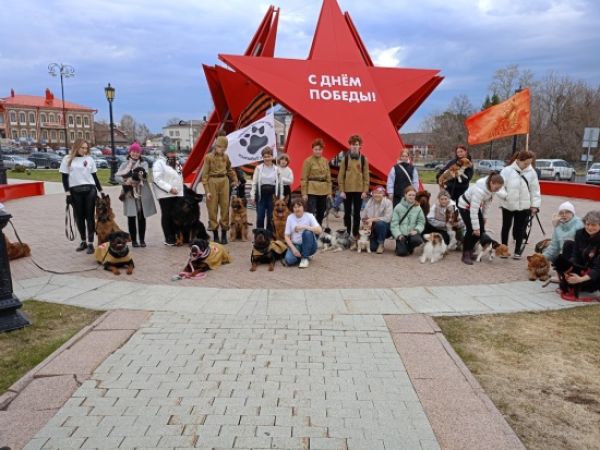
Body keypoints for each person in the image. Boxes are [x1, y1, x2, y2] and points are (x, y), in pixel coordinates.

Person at [60, 139, 103, 254]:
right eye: (82, 148)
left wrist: (101, 191)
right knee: (79, 217)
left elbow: (94, 176)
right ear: (76, 147)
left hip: (90, 189)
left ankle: (90, 243)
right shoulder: (67, 159)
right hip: (75, 190)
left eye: (86, 148)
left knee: (89, 216)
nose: (85, 150)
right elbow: (64, 178)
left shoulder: (89, 159)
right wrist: (67, 194)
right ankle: (83, 241)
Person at [499, 150, 541, 259]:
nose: (528, 165)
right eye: (526, 163)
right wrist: (505, 196)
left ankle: (517, 250)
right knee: (506, 227)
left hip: (524, 206)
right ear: (518, 160)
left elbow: (535, 190)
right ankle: (504, 249)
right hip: (508, 205)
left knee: (520, 229)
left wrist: (535, 205)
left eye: (530, 163)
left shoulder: (532, 172)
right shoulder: (507, 171)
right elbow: (500, 186)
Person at [457, 173, 505, 265]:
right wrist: (476, 227)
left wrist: (484, 217)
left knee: (481, 230)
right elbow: (474, 210)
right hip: (465, 206)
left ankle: (471, 250)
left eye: (499, 188)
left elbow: (487, 203)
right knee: (471, 229)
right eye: (497, 188)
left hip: (474, 206)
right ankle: (466, 254)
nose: (497, 190)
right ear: (491, 183)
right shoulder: (479, 190)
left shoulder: (492, 189)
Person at [115, 142, 157, 247]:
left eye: (137, 152)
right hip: (129, 193)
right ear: (130, 152)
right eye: (133, 151)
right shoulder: (124, 164)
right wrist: (125, 181)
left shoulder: (144, 163)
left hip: (141, 193)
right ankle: (133, 240)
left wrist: (135, 178)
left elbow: (145, 175)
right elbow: (117, 176)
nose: (135, 153)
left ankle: (142, 240)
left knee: (142, 217)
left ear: (140, 153)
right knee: (131, 217)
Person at [202, 136, 238, 244]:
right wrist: (207, 190)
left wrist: (235, 179)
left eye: (223, 147)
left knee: (225, 208)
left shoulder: (226, 157)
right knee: (212, 209)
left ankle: (223, 233)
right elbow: (205, 176)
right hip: (212, 181)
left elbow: (230, 169)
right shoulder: (208, 157)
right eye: (218, 146)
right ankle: (215, 234)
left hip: (224, 182)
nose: (220, 149)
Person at [556, 210, 600, 297]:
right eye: (587, 224)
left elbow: (598, 268)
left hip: (595, 274)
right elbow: (574, 256)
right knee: (568, 244)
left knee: (588, 286)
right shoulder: (580, 234)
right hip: (584, 266)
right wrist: (568, 270)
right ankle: (568, 279)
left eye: (593, 225)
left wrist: (580, 279)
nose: (590, 227)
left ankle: (581, 284)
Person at [338, 135, 370, 247]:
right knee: (347, 213)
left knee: (357, 214)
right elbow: (340, 176)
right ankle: (347, 232)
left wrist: (365, 191)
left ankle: (355, 234)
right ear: (350, 145)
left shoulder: (363, 159)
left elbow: (366, 176)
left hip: (359, 191)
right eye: (353, 144)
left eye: (356, 144)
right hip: (346, 190)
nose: (355, 147)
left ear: (360, 146)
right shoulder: (345, 159)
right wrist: (341, 190)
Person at [153, 147, 184, 246]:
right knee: (166, 215)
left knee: (175, 216)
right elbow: (157, 179)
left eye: (174, 152)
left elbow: (180, 176)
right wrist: (170, 188)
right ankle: (168, 237)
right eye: (171, 152)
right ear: (166, 153)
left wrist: (180, 190)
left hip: (177, 193)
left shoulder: (177, 162)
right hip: (165, 194)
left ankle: (176, 235)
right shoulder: (159, 163)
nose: (173, 154)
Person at [250, 147, 283, 231]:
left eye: (269, 156)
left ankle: (269, 236)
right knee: (260, 216)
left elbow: (280, 183)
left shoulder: (277, 169)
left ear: (272, 157)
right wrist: (252, 196)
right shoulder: (258, 168)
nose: (267, 158)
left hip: (272, 195)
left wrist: (281, 197)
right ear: (262, 157)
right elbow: (254, 182)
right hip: (261, 194)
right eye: (265, 157)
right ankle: (259, 235)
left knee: (270, 216)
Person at [301, 138, 332, 225]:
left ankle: (318, 228)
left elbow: (328, 178)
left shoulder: (325, 161)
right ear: (312, 149)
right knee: (311, 212)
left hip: (323, 190)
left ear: (322, 150)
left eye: (320, 149)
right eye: (316, 149)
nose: (318, 151)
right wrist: (304, 193)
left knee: (321, 212)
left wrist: (329, 192)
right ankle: (310, 230)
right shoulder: (308, 161)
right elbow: (304, 178)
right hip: (312, 190)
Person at [283, 199, 322, 268]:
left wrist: (304, 227)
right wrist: (293, 249)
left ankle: (305, 258)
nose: (297, 209)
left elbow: (319, 230)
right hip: (296, 245)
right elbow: (286, 236)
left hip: (311, 246)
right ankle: (302, 255)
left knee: (307, 233)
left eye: (299, 206)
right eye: (294, 207)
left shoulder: (309, 216)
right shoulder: (290, 217)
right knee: (289, 260)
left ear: (303, 207)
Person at [390, 186, 425, 256]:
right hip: (401, 234)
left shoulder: (418, 207)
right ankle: (401, 247)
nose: (411, 197)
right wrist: (398, 234)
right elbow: (394, 224)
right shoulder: (398, 207)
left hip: (412, 232)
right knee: (402, 253)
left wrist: (417, 230)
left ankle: (409, 247)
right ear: (405, 195)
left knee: (418, 240)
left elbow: (421, 222)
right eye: (409, 195)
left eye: (413, 195)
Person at [361, 186, 393, 254]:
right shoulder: (369, 202)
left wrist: (372, 220)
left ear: (383, 194)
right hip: (372, 227)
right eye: (375, 193)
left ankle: (381, 244)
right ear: (372, 194)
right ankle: (375, 242)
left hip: (385, 227)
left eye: (380, 193)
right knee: (372, 248)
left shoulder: (388, 203)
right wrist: (366, 222)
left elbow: (388, 218)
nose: (377, 195)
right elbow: (363, 217)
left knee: (380, 224)